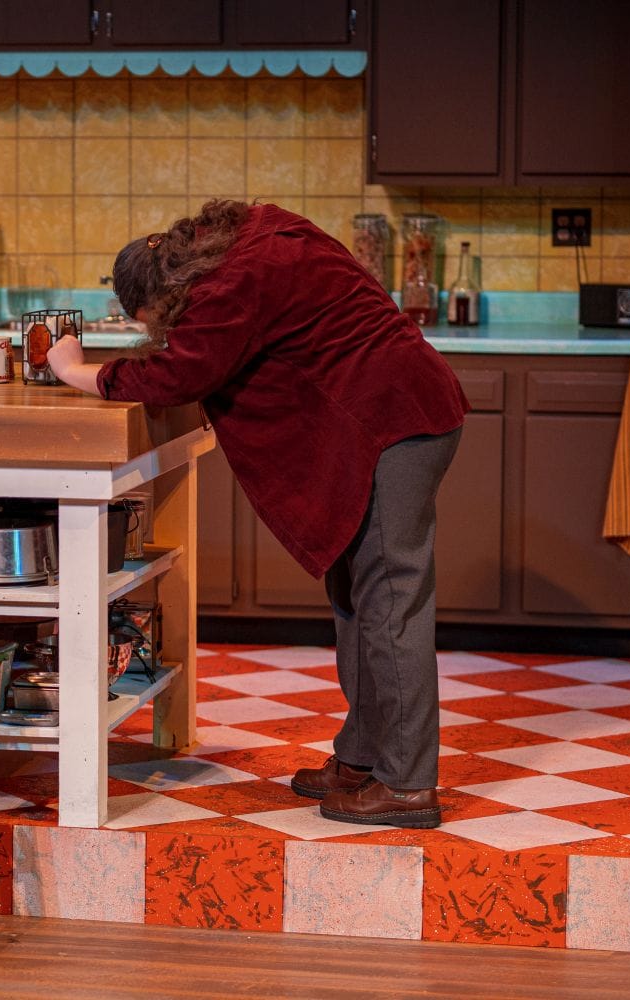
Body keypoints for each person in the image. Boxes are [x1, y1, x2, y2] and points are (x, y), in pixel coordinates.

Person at [48, 200, 468, 829]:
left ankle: (407, 785)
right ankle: (363, 759)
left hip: (390, 425)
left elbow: (179, 374)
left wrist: (76, 370)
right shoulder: (253, 234)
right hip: (392, 413)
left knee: (390, 604)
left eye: (158, 324)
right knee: (360, 599)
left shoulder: (228, 286)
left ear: (165, 295)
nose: (163, 336)